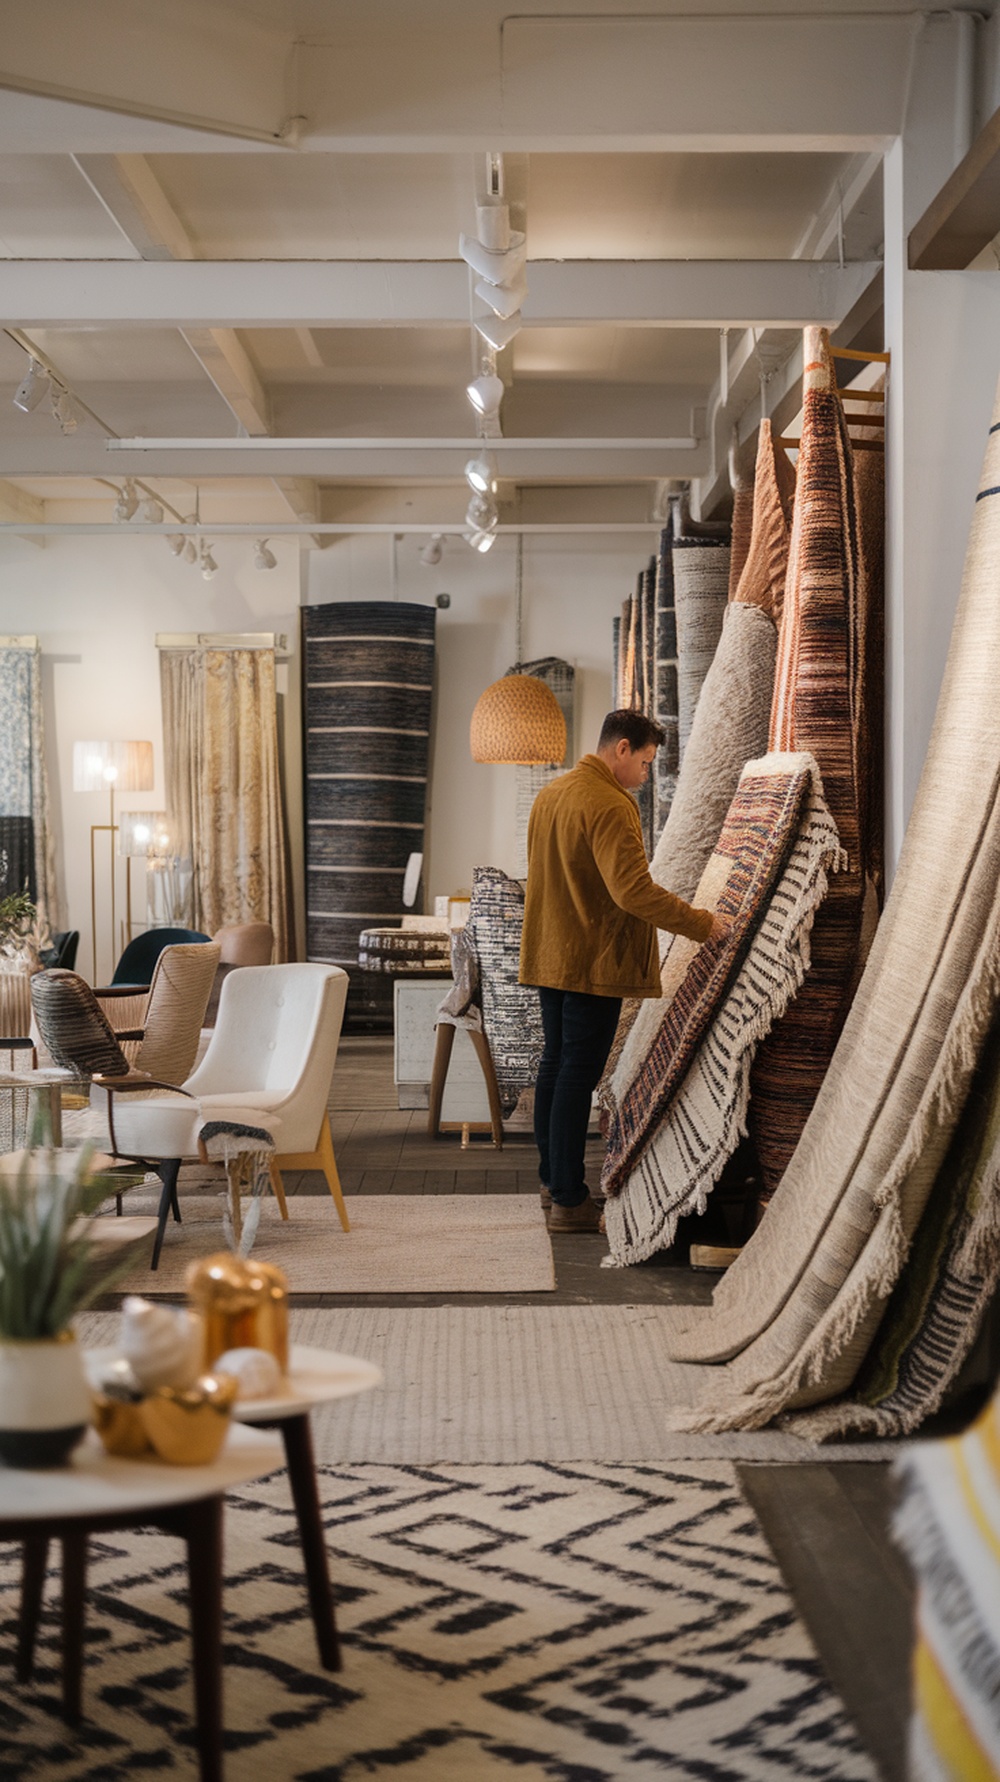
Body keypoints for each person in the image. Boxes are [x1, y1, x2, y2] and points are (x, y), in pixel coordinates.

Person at [519, 709, 728, 1232]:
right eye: (645, 762)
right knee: (575, 1075)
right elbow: (631, 891)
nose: (645, 774)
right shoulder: (610, 803)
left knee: (555, 1065)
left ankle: (553, 1182)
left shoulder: (553, 793)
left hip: (551, 954)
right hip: (592, 959)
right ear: (622, 748)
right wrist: (704, 925)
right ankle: (569, 1200)